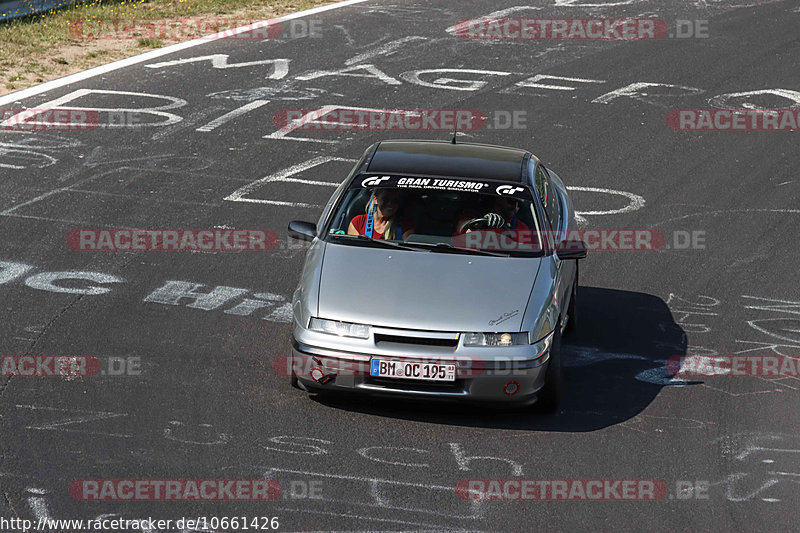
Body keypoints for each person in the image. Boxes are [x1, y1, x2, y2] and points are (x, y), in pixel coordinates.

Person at [348, 188, 414, 240]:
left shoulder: (405, 226)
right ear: (375, 199)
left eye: (395, 201)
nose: (390, 204)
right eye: (385, 199)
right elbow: (352, 251)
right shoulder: (358, 222)